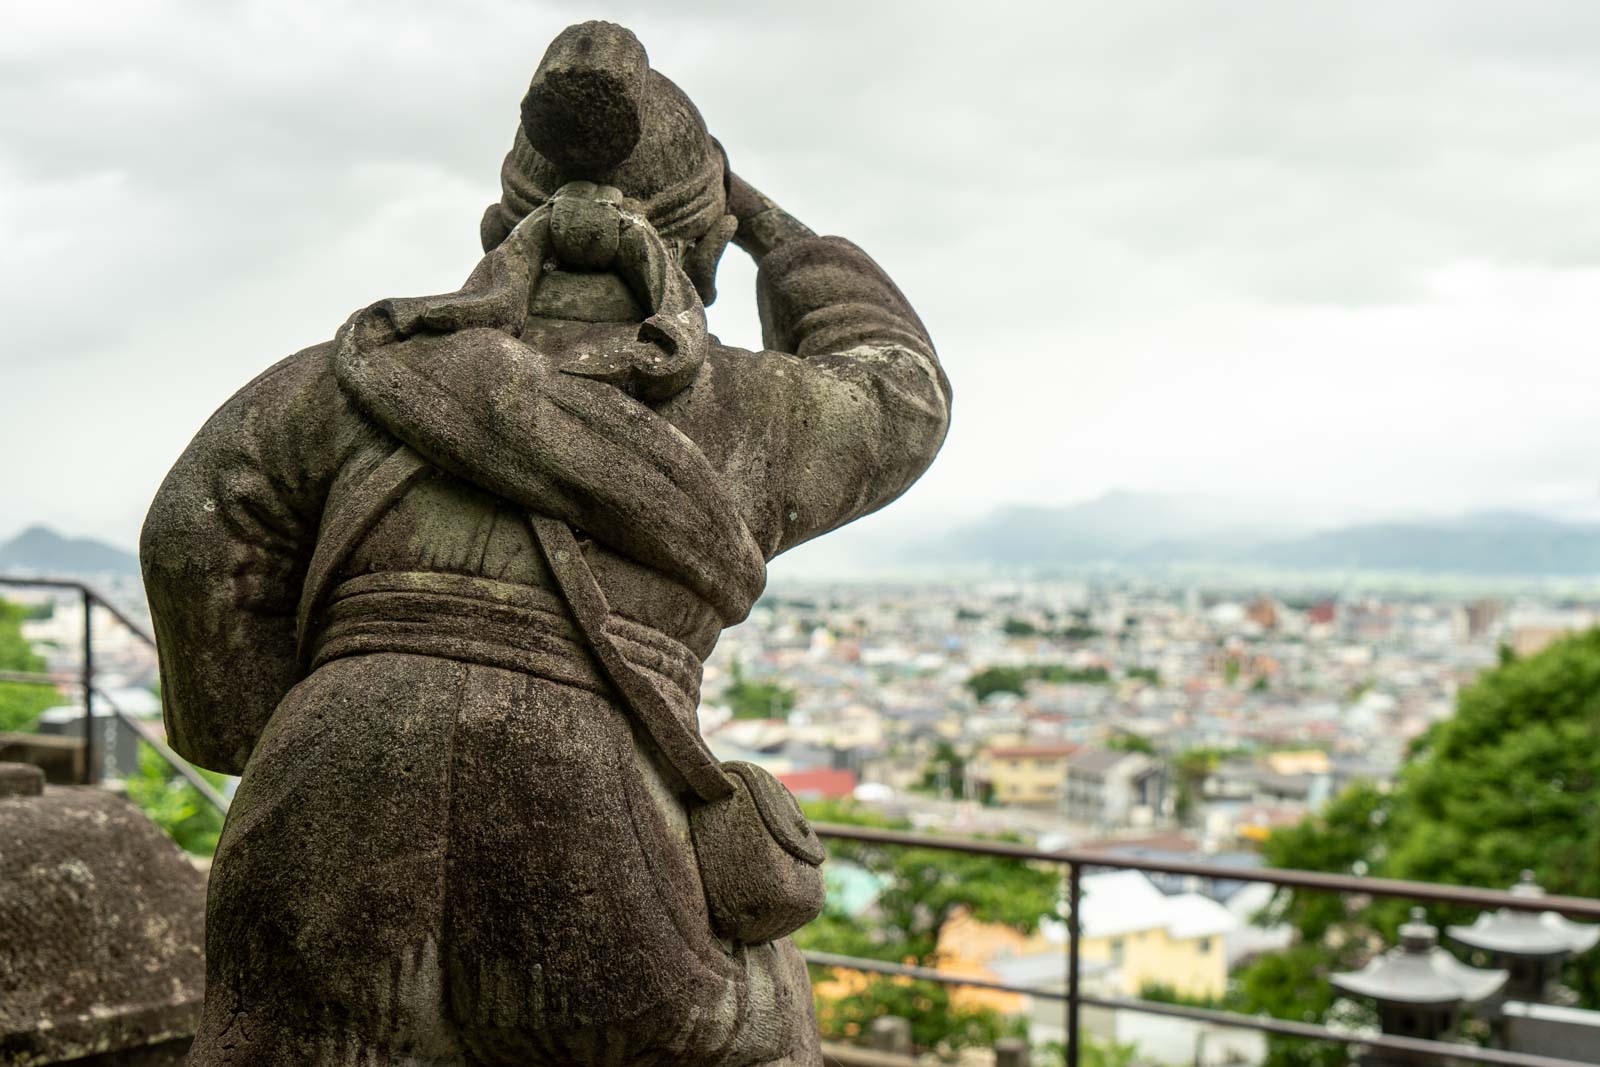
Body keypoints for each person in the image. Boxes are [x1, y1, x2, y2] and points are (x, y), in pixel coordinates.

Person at [142, 21, 949, 1067]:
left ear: (496, 226)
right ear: (698, 246)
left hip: (324, 786)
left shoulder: (345, 374)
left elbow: (191, 535)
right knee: (744, 1027)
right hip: (592, 807)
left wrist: (279, 729)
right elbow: (901, 387)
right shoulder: (758, 412)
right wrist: (770, 225)